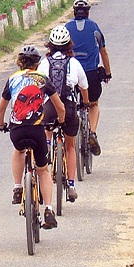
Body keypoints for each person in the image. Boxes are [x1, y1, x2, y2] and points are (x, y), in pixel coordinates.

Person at [0, 45, 66, 229]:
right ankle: (49, 209)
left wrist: (1, 124)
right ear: (37, 63)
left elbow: (1, 108)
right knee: (43, 170)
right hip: (36, 130)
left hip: (17, 130)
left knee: (18, 150)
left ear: (20, 62)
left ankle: (18, 187)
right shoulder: (43, 79)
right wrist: (60, 121)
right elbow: (59, 107)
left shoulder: (12, 79)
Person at [38, 25, 89, 202]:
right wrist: (86, 102)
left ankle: (46, 149)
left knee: (47, 130)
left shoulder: (44, 64)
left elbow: (38, 87)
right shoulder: (74, 63)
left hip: (50, 107)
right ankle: (72, 184)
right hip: (68, 107)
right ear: (69, 45)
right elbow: (84, 87)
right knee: (70, 147)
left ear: (50, 45)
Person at [65, 0, 112, 155]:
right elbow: (103, 52)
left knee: (68, 103)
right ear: (88, 12)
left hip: (71, 75)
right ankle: (92, 132)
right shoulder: (94, 28)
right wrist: (107, 72)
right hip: (91, 74)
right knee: (93, 104)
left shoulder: (66, 28)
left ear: (74, 12)